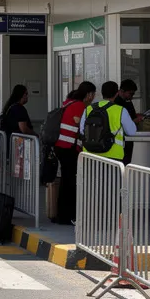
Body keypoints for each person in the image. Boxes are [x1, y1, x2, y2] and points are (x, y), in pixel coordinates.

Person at [53, 82, 96, 225]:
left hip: (61, 146)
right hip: (68, 147)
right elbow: (80, 125)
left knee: (66, 180)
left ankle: (62, 214)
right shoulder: (79, 106)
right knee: (70, 182)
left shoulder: (68, 102)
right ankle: (68, 215)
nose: (93, 97)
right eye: (93, 94)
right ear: (89, 94)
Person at [82, 81, 138, 166]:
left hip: (91, 154)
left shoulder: (88, 109)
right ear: (117, 93)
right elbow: (132, 132)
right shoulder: (120, 110)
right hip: (114, 156)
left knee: (94, 179)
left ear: (102, 93)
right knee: (114, 179)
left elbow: (82, 131)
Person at [115, 79, 143, 165]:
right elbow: (119, 122)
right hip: (121, 141)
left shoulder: (128, 101)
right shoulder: (117, 103)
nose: (132, 96)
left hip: (129, 139)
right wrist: (134, 121)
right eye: (130, 94)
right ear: (122, 91)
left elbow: (131, 115)